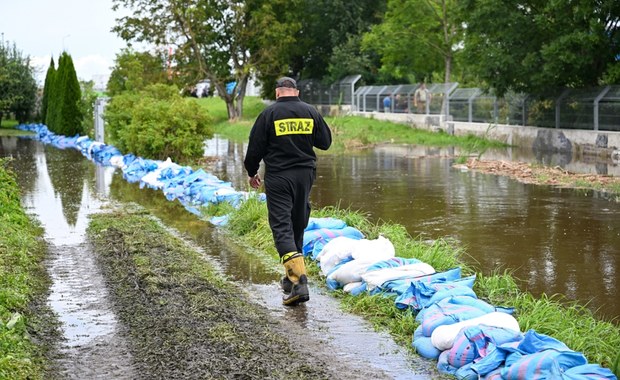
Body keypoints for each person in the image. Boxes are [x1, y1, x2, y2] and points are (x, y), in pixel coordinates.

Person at [243, 76, 332, 306]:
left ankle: (299, 281)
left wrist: (252, 172)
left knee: (282, 226)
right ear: (297, 91)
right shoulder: (310, 111)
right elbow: (325, 142)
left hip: (279, 176)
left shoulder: (269, 115)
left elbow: (254, 148)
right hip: (305, 175)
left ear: (277, 93)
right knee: (297, 222)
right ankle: (291, 278)